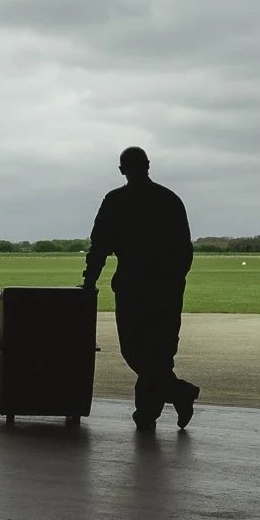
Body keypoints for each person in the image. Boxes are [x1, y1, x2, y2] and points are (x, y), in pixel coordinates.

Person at [82, 147, 200, 429]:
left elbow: (99, 246)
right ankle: (169, 399)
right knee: (159, 354)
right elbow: (185, 250)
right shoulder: (169, 199)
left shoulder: (115, 201)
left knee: (136, 351)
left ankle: (151, 411)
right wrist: (173, 281)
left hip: (133, 288)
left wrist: (90, 280)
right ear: (148, 165)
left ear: (122, 170)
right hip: (166, 290)